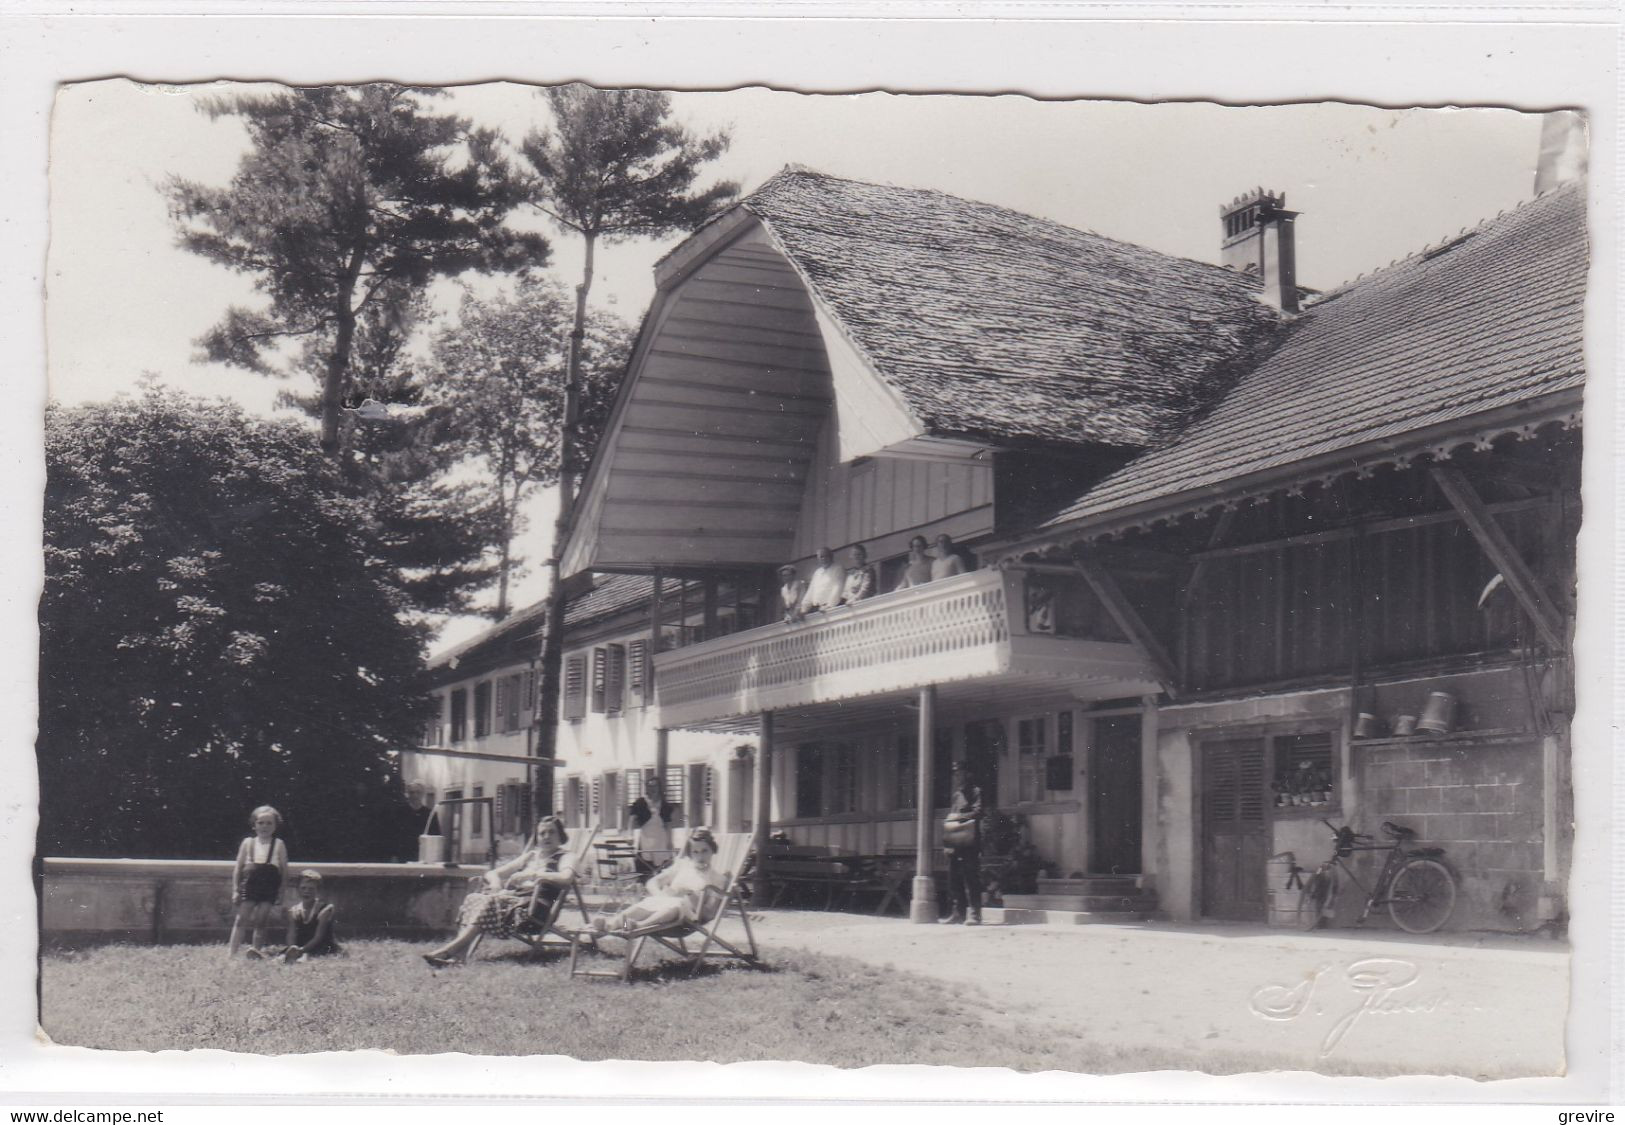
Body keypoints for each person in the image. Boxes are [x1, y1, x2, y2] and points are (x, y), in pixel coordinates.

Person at [422, 816, 576, 968]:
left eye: (552, 832)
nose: (547, 836)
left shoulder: (566, 857)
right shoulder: (531, 856)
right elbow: (493, 873)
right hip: (515, 902)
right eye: (542, 833)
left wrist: (533, 875)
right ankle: (459, 956)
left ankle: (449, 951)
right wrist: (496, 884)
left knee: (488, 902)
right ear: (537, 837)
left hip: (535, 910)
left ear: (560, 835)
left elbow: (566, 877)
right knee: (474, 897)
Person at [589, 826, 729, 935]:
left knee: (675, 906)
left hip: (687, 915)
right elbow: (652, 882)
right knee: (642, 907)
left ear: (713, 850)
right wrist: (661, 896)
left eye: (705, 851)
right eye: (695, 852)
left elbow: (710, 914)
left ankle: (639, 926)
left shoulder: (717, 879)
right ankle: (611, 925)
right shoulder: (682, 866)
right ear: (690, 853)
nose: (700, 856)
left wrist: (690, 896)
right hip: (665, 902)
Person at [228, 805, 289, 959]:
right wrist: (235, 889)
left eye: (269, 823)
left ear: (275, 826)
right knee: (241, 919)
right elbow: (238, 867)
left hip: (269, 886)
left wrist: (281, 891)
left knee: (261, 921)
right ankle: (232, 953)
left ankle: (255, 952)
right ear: (254, 825)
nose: (264, 826)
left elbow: (284, 870)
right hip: (250, 885)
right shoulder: (248, 843)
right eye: (261, 823)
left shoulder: (279, 844)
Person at [942, 764, 984, 925]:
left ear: (967, 774)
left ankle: (974, 914)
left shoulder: (976, 792)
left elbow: (978, 812)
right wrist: (947, 844)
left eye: (960, 773)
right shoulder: (956, 795)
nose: (957, 777)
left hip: (970, 842)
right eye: (955, 774)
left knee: (971, 878)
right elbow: (950, 819)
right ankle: (957, 913)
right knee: (955, 879)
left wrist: (959, 817)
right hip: (955, 842)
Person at [280, 870, 342, 963]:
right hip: (300, 944)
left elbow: (319, 937)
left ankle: (301, 957)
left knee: (306, 955)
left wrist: (302, 950)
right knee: (281, 957)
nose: (306, 892)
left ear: (318, 890)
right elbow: (291, 934)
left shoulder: (324, 909)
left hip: (320, 944)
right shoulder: (294, 911)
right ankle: (287, 956)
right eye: (303, 888)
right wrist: (291, 947)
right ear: (298, 889)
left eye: (311, 889)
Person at [630, 776, 674, 874]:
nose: (653, 789)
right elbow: (632, 819)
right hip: (646, 836)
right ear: (647, 788)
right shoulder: (641, 802)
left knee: (662, 862)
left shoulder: (664, 804)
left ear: (659, 788)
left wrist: (670, 841)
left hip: (660, 837)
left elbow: (668, 825)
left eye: (655, 786)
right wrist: (630, 835)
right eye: (650, 786)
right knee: (644, 861)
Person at [799, 546, 846, 614]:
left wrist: (829, 605)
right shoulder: (817, 572)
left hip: (830, 608)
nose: (823, 558)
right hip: (816, 608)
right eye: (821, 557)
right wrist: (803, 609)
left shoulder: (838, 569)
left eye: (826, 556)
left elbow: (837, 589)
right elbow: (811, 591)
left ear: (831, 556)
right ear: (818, 559)